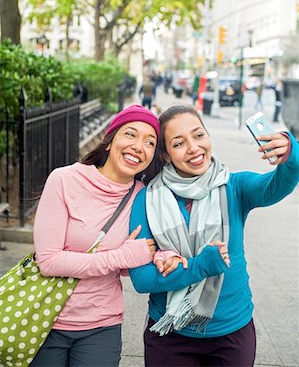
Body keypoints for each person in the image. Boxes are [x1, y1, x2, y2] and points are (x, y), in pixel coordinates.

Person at [129, 105, 299, 367]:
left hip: (233, 332)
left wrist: (291, 154)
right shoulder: (147, 199)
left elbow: (276, 186)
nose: (194, 148)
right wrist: (201, 266)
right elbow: (142, 279)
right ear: (165, 154)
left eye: (199, 136)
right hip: (169, 333)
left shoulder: (234, 186)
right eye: (179, 143)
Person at [30, 104, 162, 367]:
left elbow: (137, 258)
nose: (139, 146)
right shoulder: (65, 180)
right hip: (47, 319)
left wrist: (161, 256)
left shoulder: (145, 197)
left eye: (150, 142)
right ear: (110, 141)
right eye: (130, 134)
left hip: (102, 325)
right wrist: (121, 256)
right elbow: (48, 261)